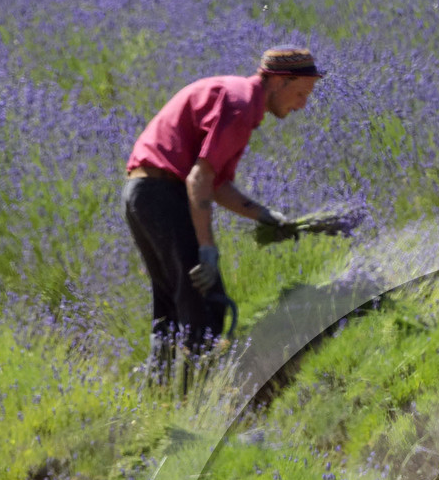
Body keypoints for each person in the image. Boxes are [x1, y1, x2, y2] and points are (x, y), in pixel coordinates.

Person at [124, 46, 322, 379]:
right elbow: (199, 179)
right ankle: (201, 402)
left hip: (141, 194)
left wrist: (264, 215)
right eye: (300, 93)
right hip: (161, 195)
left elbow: (216, 185)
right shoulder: (239, 105)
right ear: (278, 82)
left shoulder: (234, 96)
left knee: (172, 312)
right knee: (204, 306)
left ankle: (160, 397)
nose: (302, 104)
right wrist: (207, 250)